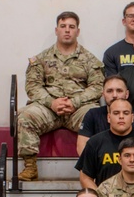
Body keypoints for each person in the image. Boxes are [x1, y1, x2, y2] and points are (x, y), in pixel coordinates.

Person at [18, 11, 104, 181]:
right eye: (63, 26)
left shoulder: (90, 60)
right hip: (48, 109)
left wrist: (74, 102)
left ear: (77, 31)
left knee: (98, 117)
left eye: (71, 27)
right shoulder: (41, 59)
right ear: (56, 30)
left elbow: (97, 86)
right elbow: (33, 86)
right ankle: (30, 167)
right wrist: (52, 102)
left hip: (78, 109)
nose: (67, 30)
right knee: (24, 116)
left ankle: (95, 169)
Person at [76, 99, 134, 190]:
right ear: (108, 117)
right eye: (116, 113)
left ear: (132, 118)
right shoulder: (95, 142)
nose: (121, 116)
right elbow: (85, 177)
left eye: (126, 113)